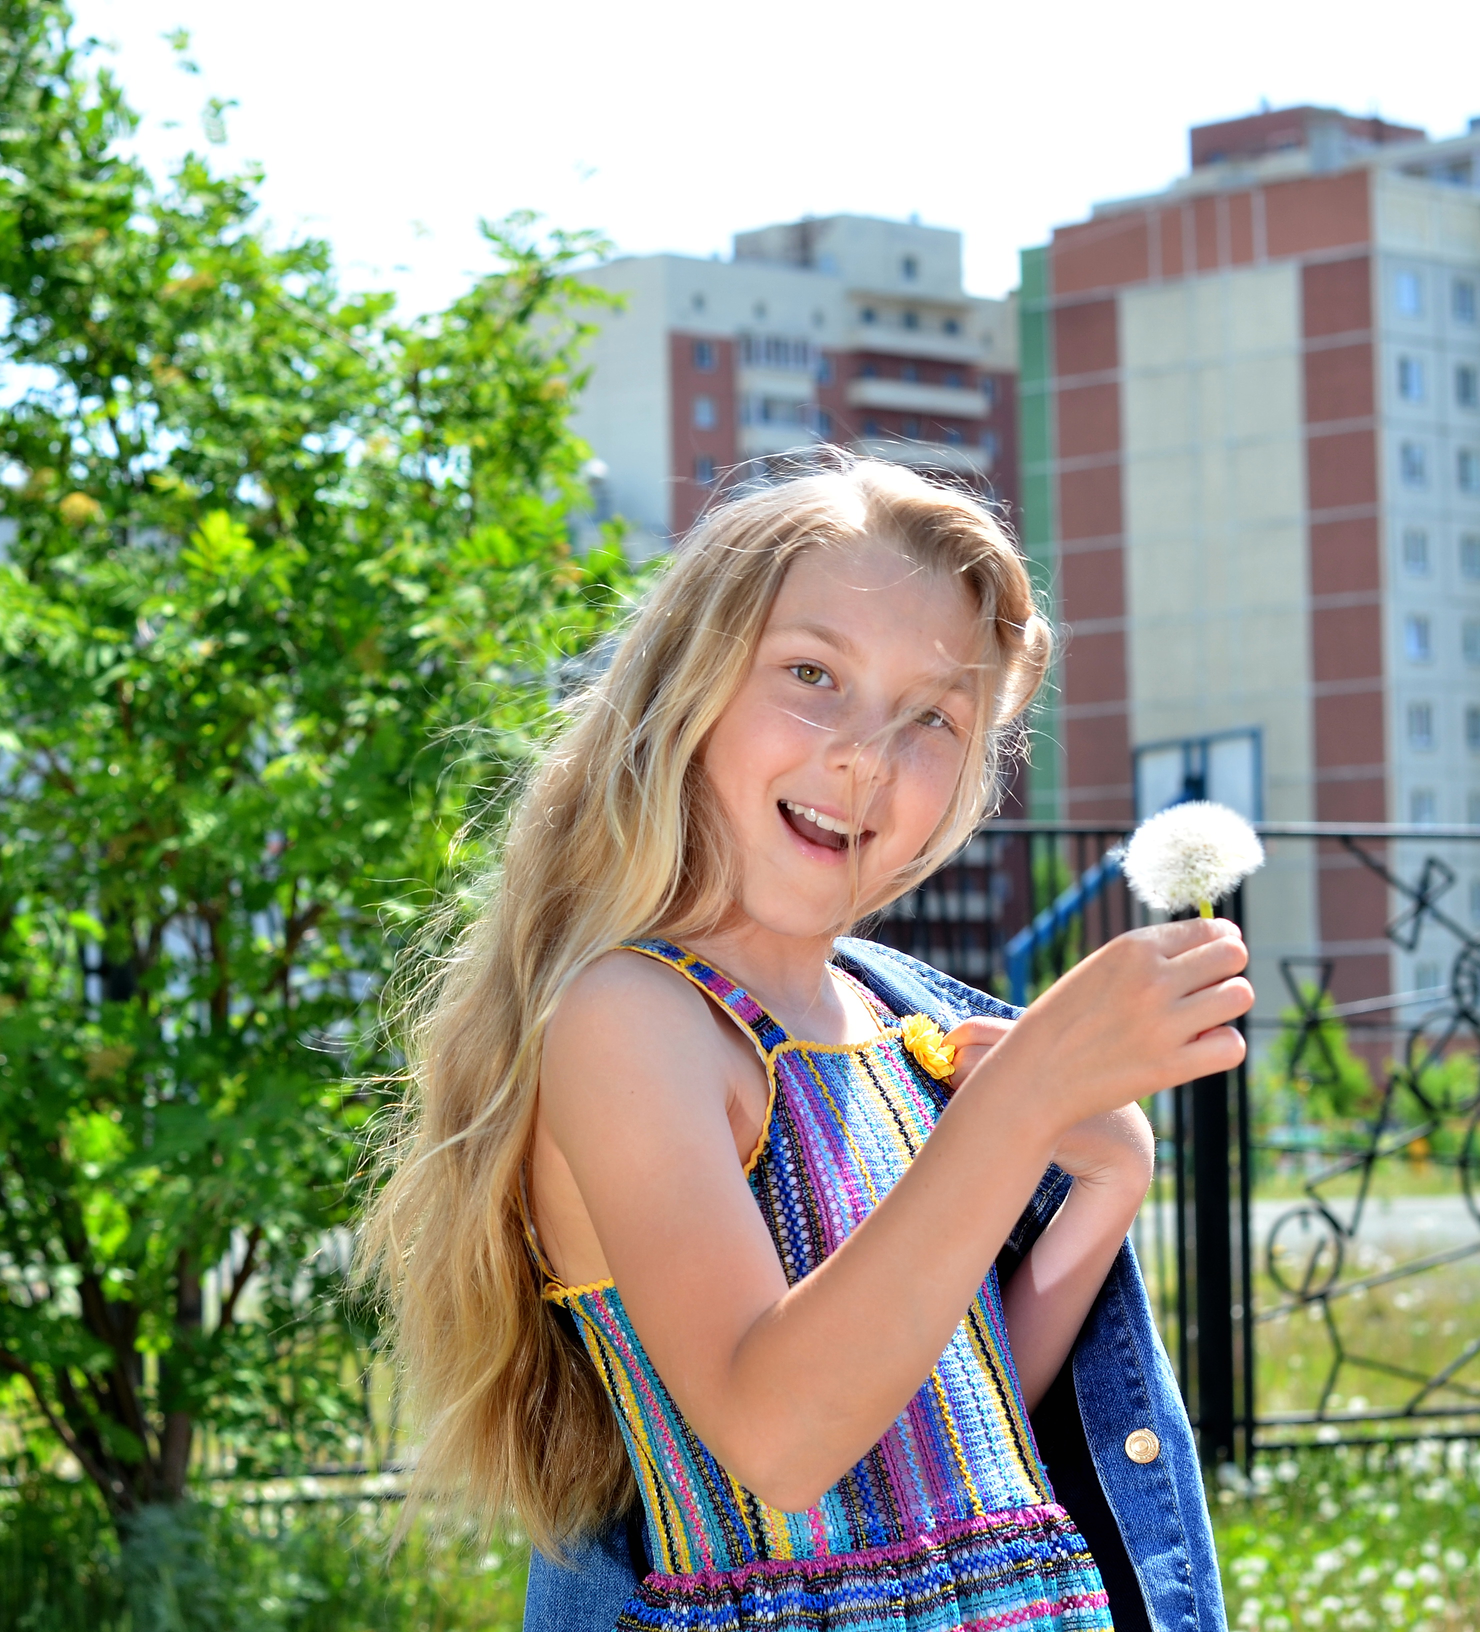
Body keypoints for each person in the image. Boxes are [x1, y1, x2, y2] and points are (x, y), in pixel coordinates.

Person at [359, 459, 1250, 1631]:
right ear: (692, 686)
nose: (864, 753)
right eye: (811, 673)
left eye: (932, 715)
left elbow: (928, 1427)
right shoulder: (631, 1018)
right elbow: (781, 1441)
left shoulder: (894, 1020)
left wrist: (1104, 1178)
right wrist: (1018, 1104)